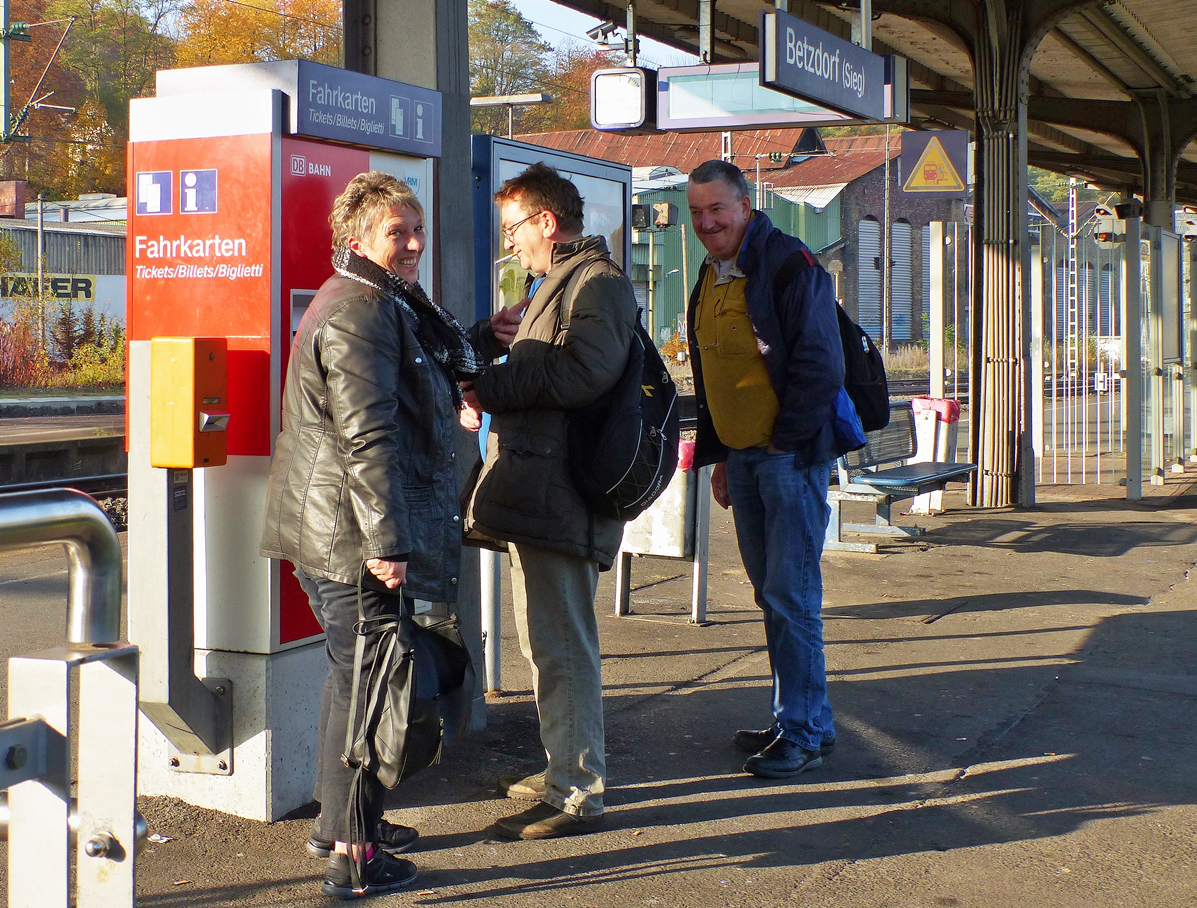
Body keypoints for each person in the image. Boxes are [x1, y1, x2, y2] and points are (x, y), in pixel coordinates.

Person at [259, 171, 522, 899]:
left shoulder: (381, 302)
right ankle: (355, 853)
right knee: (371, 691)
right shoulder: (360, 313)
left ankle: (336, 825)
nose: (410, 244)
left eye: (415, 230)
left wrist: (477, 339)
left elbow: (413, 375)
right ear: (358, 238)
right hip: (352, 537)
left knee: (354, 678)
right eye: (394, 232)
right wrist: (385, 543)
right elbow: (365, 434)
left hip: (341, 530)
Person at [461, 162, 637, 839]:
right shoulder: (556, 284)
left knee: (562, 646)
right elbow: (555, 366)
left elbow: (583, 374)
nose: (509, 242)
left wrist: (495, 385)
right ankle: (563, 765)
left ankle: (575, 792)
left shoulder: (596, 284)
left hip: (561, 494)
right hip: (538, 491)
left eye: (513, 228)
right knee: (544, 644)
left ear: (545, 222)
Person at [684, 159, 864, 780]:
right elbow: (714, 377)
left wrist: (783, 446)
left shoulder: (789, 264)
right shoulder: (710, 275)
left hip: (788, 458)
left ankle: (805, 731)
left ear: (746, 204)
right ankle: (799, 716)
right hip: (746, 458)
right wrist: (723, 458)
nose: (708, 223)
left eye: (718, 209)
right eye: (697, 212)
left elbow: (821, 365)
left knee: (792, 597)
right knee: (772, 595)